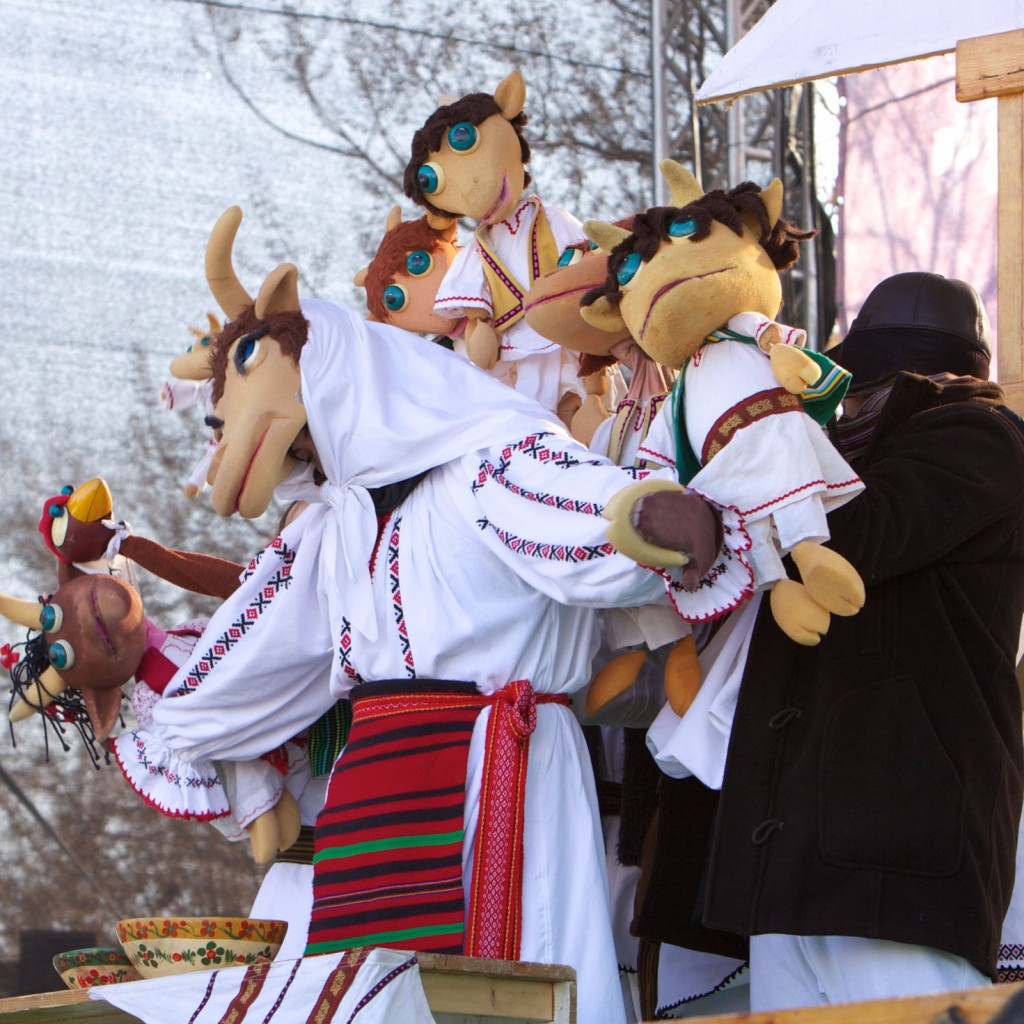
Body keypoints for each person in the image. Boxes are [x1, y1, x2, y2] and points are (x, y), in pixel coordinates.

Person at [692, 271, 1024, 1010]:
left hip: (903, 851)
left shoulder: (982, 436)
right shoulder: (828, 447)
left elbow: (855, 536)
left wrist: (761, 427)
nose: (856, 400)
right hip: (796, 854)